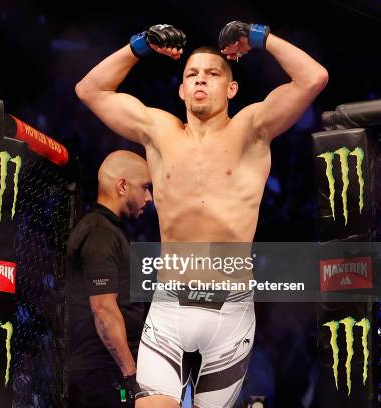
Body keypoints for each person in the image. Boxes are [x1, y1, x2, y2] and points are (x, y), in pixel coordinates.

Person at [76, 21, 328, 408]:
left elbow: (313, 77)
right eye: (192, 74)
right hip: (169, 307)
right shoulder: (158, 130)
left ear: (231, 89)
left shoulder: (252, 129)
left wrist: (259, 38)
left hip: (230, 312)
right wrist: (141, 45)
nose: (200, 80)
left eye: (212, 74)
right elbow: (89, 90)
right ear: (180, 89)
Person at [66, 150, 153, 408]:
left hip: (107, 373)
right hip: (102, 375)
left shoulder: (109, 230)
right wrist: (131, 375)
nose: (149, 197)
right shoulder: (99, 233)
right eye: (145, 187)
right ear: (122, 185)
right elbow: (103, 310)